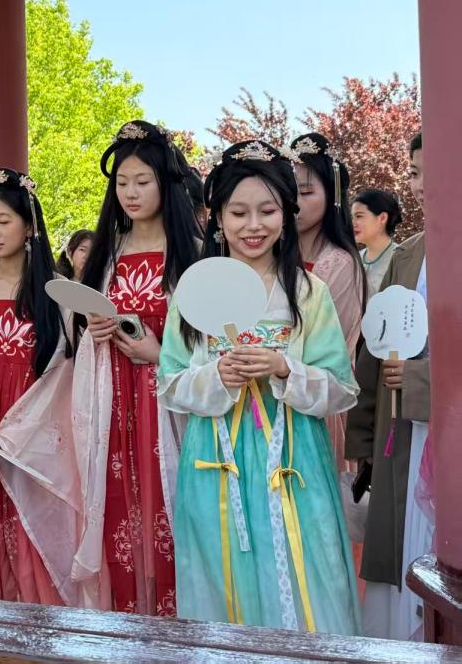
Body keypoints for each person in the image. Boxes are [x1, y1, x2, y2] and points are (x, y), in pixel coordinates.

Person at [158, 140, 361, 634]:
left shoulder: (307, 292)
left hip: (293, 462)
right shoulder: (194, 293)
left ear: (286, 215)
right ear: (217, 218)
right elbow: (170, 384)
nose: (254, 226)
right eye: (238, 212)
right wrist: (216, 376)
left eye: (267, 211)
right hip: (214, 461)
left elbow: (341, 387)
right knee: (221, 578)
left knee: (308, 571)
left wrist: (285, 369)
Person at [71, 120, 200, 615]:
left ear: (165, 182)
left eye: (142, 181)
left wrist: (159, 354)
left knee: (171, 507)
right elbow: (88, 328)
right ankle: (126, 623)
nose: (130, 192)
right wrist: (95, 331)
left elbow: (212, 346)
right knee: (119, 509)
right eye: (122, 183)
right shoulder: (107, 255)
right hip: (114, 401)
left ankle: (178, 621)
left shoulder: (192, 254)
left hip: (168, 401)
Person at [0, 168, 100, 608]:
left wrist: (24, 428)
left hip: (34, 429)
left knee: (31, 525)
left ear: (29, 225)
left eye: (4, 221)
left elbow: (68, 371)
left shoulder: (60, 293)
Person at [347, 132, 432, 640]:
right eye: (416, 172)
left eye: (431, 170)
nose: (420, 185)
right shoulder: (411, 254)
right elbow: (376, 350)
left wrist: (425, 381)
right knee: (404, 554)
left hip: (443, 434)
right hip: (404, 436)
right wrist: (363, 440)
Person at [290, 132, 366, 479]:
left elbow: (321, 343)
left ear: (332, 195)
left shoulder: (340, 263)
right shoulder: (274, 256)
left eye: (306, 192)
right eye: (289, 190)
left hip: (316, 396)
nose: (295, 202)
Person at [352, 189, 403, 301]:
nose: (353, 223)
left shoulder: (401, 259)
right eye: (352, 217)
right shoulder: (354, 259)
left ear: (382, 218)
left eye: (359, 216)